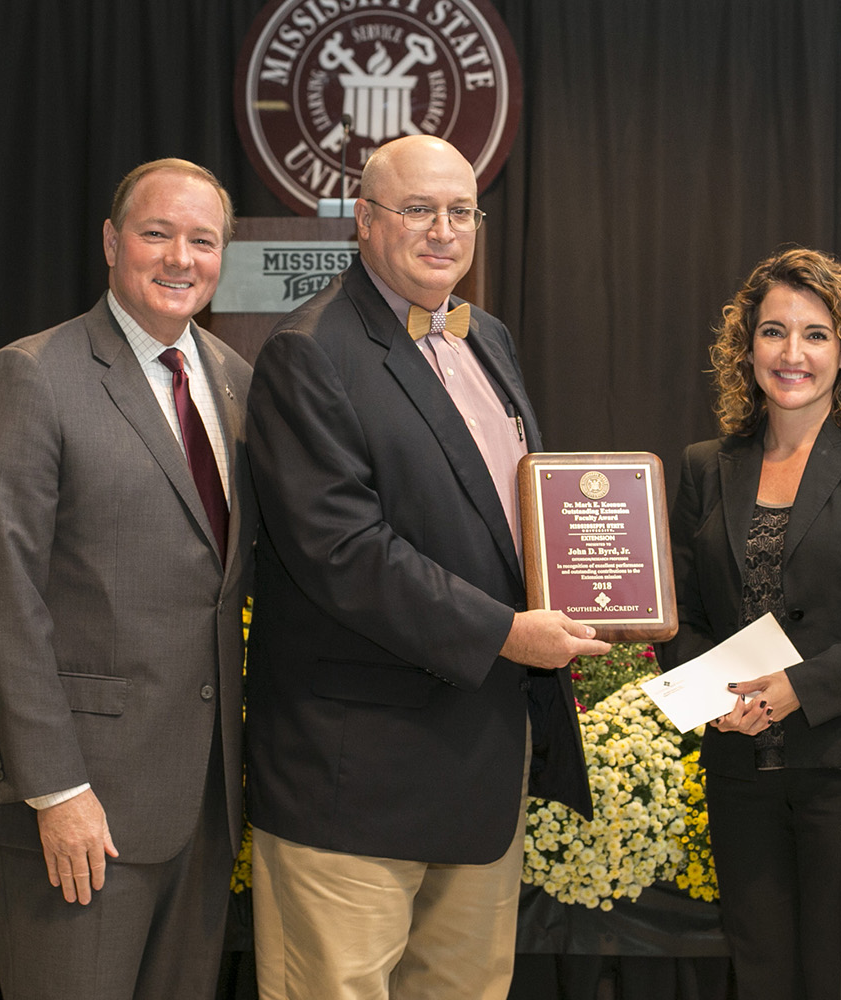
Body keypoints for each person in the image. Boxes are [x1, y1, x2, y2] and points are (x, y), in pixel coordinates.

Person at [244, 134, 610, 1000]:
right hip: (353, 779)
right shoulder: (309, 352)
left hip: (479, 767)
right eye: (418, 210)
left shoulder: (490, 339)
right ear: (364, 222)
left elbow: (506, 519)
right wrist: (507, 632)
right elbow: (343, 552)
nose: (443, 230)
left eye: (460, 211)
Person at [0, 158, 254, 1000]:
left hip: (201, 807)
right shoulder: (34, 375)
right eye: (157, 234)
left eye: (202, 239)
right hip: (84, 806)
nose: (180, 258)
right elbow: (2, 595)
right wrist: (56, 789)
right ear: (113, 242)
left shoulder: (235, 382)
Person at [662, 247, 841, 999]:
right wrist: (712, 696)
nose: (793, 353)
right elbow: (681, 616)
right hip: (740, 773)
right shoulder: (704, 465)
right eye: (773, 332)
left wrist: (800, 687)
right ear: (746, 347)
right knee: (762, 981)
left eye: (816, 334)